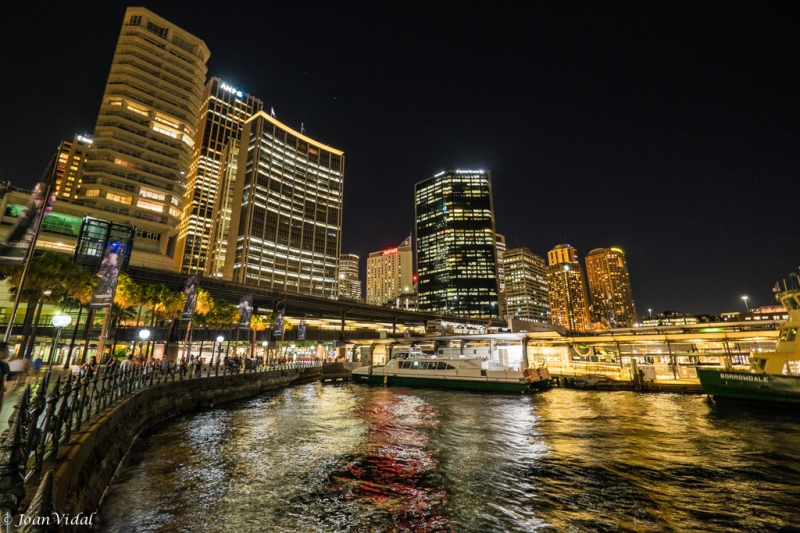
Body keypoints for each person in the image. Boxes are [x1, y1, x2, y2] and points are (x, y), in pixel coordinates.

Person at [0, 343, 11, 410]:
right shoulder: (3, 366)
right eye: (7, 350)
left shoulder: (4, 366)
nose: (8, 353)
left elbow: (2, 385)